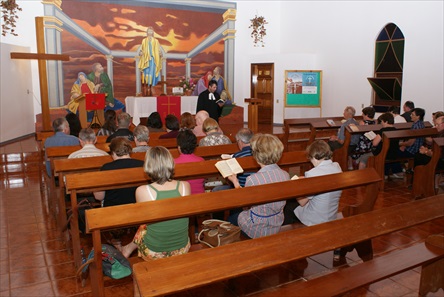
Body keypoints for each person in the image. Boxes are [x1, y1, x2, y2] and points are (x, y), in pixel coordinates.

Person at [120, 146, 191, 260]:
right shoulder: (185, 186)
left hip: (155, 250)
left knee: (143, 227)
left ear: (148, 166)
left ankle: (128, 249)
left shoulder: (142, 190)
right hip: (182, 247)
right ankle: (128, 248)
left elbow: (143, 220)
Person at [227, 134, 290, 239]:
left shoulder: (253, 179)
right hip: (277, 222)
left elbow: (245, 205)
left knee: (232, 216)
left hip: (257, 227)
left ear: (256, 155)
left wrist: (235, 182)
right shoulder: (285, 175)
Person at [283, 140, 342, 226]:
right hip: (331, 215)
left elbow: (302, 202)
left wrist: (295, 185)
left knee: (289, 206)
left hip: (315, 219)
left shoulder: (312, 173)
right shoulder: (337, 166)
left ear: (314, 157)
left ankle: (290, 234)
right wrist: (305, 179)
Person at [93, 138, 144, 207]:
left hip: (112, 209)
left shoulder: (106, 168)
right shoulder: (142, 165)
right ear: (129, 150)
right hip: (137, 207)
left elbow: (99, 196)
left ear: (113, 152)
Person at [174, 129, 205, 195]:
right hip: (200, 195)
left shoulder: (173, 163)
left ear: (179, 147)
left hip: (182, 196)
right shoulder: (201, 160)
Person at [138, 26, 162, 96]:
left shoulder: (156, 41)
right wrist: (141, 52)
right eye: (149, 31)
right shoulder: (144, 41)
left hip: (153, 59)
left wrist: (160, 54)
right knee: (147, 72)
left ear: (153, 32)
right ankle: (147, 86)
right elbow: (142, 49)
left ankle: (151, 86)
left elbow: (157, 50)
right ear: (147, 32)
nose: (150, 32)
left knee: (152, 72)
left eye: (151, 31)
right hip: (146, 59)